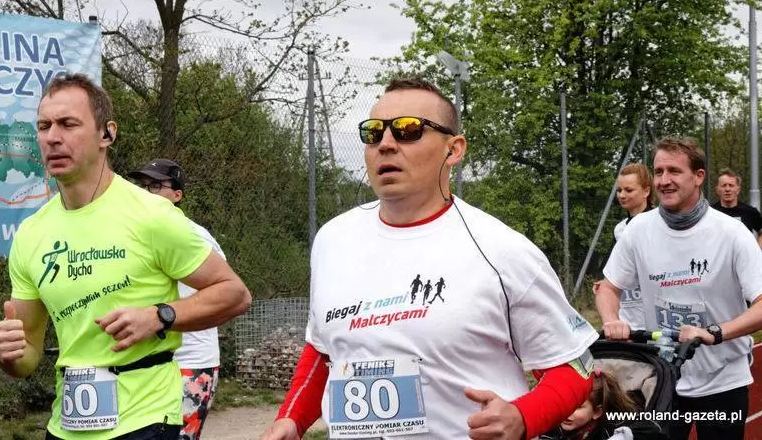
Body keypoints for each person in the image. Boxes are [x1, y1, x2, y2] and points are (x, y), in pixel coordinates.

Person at [261, 77, 599, 440]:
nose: (386, 144)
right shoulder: (332, 239)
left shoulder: (502, 250)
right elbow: (323, 350)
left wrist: (521, 416)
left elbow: (576, 369)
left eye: (408, 130)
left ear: (453, 150)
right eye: (373, 133)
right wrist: (291, 420)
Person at [0, 74, 252, 440]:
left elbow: (234, 293)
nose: (53, 137)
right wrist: (9, 355)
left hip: (145, 420)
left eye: (68, 124)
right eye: (44, 126)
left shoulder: (152, 215)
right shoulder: (30, 234)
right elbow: (28, 356)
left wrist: (160, 316)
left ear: (107, 134)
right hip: (66, 424)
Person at [595, 136, 762, 440]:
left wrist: (715, 332)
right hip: (661, 379)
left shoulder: (732, 233)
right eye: (658, 172)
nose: (664, 180)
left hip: (722, 380)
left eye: (674, 171)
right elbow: (608, 288)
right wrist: (611, 320)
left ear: (698, 177)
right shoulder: (638, 230)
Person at [127, 159, 225, 440]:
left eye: (156, 186)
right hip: (151, 363)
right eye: (143, 186)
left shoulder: (194, 235)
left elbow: (225, 292)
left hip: (191, 362)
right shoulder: (135, 234)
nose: (147, 192)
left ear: (177, 195)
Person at [540, 369, 663, 440]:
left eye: (577, 407)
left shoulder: (612, 424)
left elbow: (652, 428)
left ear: (596, 412)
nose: (567, 412)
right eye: (563, 404)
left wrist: (622, 436)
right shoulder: (551, 427)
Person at [612, 163, 653, 330]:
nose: (622, 195)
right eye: (619, 190)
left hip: (655, 320)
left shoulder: (660, 222)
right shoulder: (619, 229)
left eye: (629, 190)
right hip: (628, 318)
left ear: (646, 191)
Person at [712, 168, 762, 248]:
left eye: (731, 185)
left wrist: (757, 251)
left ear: (738, 190)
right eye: (724, 185)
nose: (727, 189)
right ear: (717, 190)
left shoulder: (750, 212)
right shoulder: (710, 212)